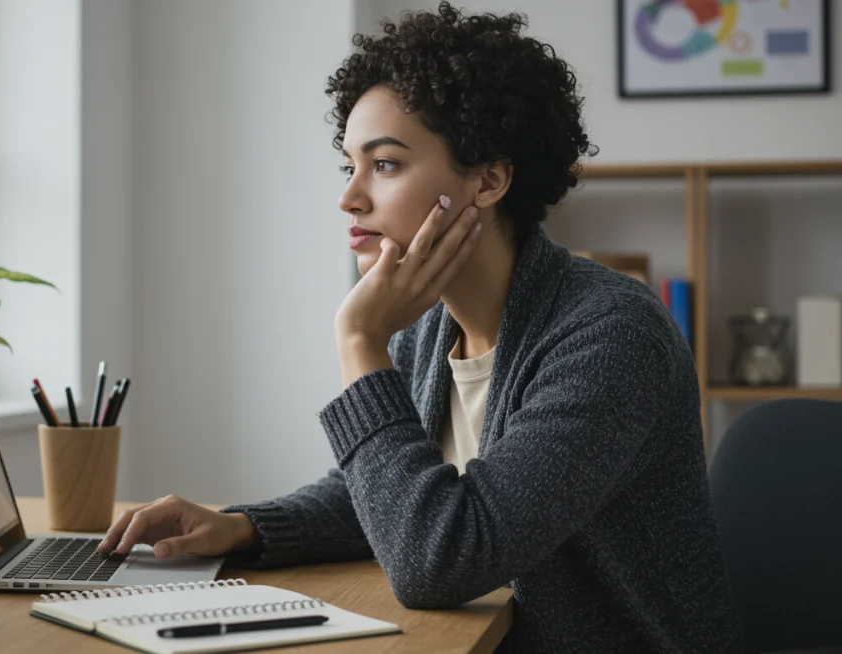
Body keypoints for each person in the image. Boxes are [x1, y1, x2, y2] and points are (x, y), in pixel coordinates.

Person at [98, 3, 742, 651]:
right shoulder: (429, 327)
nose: (349, 197)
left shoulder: (610, 336)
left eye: (384, 165)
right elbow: (387, 498)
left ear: (489, 179)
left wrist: (359, 342)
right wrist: (238, 526)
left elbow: (436, 560)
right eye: (349, 165)